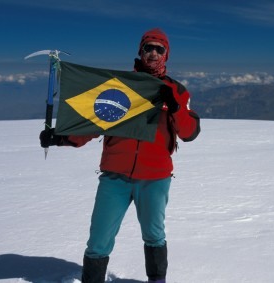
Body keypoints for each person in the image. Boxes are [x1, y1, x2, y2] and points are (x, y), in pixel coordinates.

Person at [40, 28, 200, 283]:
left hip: (155, 178)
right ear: (141, 51)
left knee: (154, 235)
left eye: (160, 48)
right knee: (98, 240)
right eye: (149, 47)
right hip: (115, 176)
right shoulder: (120, 85)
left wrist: (176, 107)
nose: (154, 53)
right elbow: (96, 120)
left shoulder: (176, 90)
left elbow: (190, 132)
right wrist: (60, 137)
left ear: (167, 54)